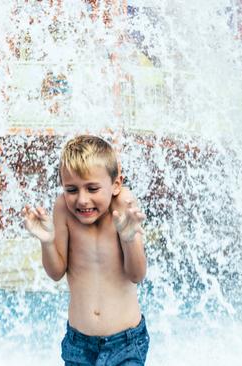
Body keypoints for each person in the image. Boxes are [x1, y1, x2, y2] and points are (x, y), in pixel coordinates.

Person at [23, 135, 150, 365]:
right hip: (79, 345)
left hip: (125, 343)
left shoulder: (123, 206)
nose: (82, 200)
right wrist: (47, 241)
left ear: (116, 185)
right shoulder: (63, 208)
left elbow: (137, 274)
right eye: (71, 189)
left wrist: (130, 239)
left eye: (92, 188)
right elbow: (56, 272)